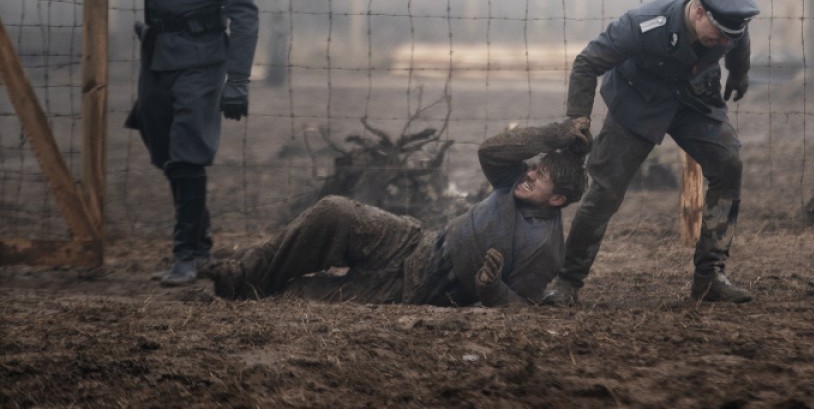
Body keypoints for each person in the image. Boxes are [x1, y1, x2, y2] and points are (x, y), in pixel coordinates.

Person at [542, 0, 760, 306]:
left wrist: (739, 75)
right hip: (639, 102)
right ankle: (567, 282)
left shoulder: (727, 26)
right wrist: (578, 122)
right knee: (605, 190)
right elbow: (586, 63)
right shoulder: (645, 24)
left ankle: (710, 276)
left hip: (694, 98)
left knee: (729, 165)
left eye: (724, 39)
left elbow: (737, 40)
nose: (721, 43)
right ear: (699, 13)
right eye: (715, 37)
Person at [204, 121, 589, 306]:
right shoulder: (513, 183)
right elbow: (490, 150)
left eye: (541, 177)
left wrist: (491, 289)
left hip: (418, 290)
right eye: (536, 167)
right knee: (333, 211)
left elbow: (521, 308)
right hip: (412, 242)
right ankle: (242, 276)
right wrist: (555, 135)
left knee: (299, 294)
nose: (530, 173)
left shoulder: (544, 249)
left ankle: (255, 287)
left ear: (557, 200)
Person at [108, 0, 259, 287]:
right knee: (163, 149)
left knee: (188, 152)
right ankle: (200, 243)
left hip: (203, 57)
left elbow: (244, 13)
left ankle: (188, 254)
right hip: (157, 55)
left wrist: (239, 80)